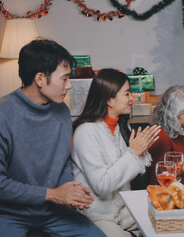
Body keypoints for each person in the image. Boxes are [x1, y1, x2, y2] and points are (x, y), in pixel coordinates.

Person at [0, 39, 106, 236]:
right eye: (65, 79)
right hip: (8, 214)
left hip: (54, 212)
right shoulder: (3, 114)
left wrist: (70, 191)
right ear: (40, 79)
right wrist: (54, 194)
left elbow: (63, 161)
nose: (69, 86)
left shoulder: (61, 111)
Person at [71, 68, 160, 237]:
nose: (132, 99)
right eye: (127, 94)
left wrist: (139, 153)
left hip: (122, 208)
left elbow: (125, 174)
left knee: (161, 221)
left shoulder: (119, 127)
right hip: (97, 213)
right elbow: (102, 185)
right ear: (109, 99)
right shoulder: (86, 132)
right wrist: (133, 154)